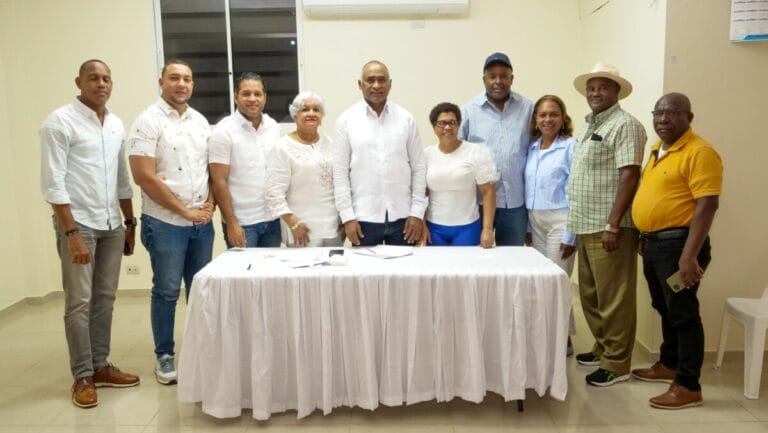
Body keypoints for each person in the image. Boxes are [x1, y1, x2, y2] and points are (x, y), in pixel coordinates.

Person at [40, 59, 140, 408]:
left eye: (107, 78)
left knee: (105, 298)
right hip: (78, 223)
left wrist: (130, 223)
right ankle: (82, 375)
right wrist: (71, 232)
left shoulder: (114, 123)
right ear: (78, 82)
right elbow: (53, 183)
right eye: (94, 78)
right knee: (79, 302)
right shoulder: (59, 122)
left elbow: (122, 179)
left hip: (112, 223)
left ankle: (100, 366)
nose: (101, 84)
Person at [630, 93, 722, 409]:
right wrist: (644, 233)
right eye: (658, 113)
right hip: (655, 245)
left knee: (683, 313)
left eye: (672, 113)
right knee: (664, 306)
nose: (663, 119)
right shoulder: (658, 149)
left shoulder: (700, 151)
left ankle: (688, 384)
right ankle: (669, 363)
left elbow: (707, 204)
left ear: (689, 117)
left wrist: (688, 256)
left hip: (680, 247)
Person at [127, 59, 214, 385]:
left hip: (200, 224)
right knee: (166, 291)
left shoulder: (200, 121)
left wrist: (210, 203)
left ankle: (201, 350)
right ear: (161, 81)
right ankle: (164, 355)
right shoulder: (147, 122)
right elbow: (144, 177)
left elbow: (210, 170)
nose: (181, 84)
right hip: (165, 223)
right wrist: (185, 212)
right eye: (174, 78)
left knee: (200, 289)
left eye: (187, 79)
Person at [567, 62, 646, 386]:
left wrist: (614, 224)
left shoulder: (625, 125)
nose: (595, 92)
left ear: (616, 91)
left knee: (614, 298)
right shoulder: (592, 124)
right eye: (591, 88)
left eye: (602, 87)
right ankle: (602, 348)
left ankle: (617, 362)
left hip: (609, 226)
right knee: (591, 295)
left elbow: (630, 175)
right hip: (586, 224)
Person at [333, 60, 427, 246]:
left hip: (403, 218)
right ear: (360, 84)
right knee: (365, 266)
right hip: (363, 218)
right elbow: (340, 173)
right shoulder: (346, 121)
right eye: (370, 80)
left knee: (405, 265)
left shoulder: (406, 119)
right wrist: (347, 217)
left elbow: (419, 168)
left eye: (381, 80)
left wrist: (417, 213)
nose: (376, 85)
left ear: (390, 84)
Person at [459, 52, 533, 246]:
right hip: (479, 202)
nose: (498, 81)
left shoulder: (528, 108)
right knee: (477, 257)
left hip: (515, 203)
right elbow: (457, 152)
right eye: (492, 76)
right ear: (484, 79)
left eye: (503, 76)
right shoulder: (468, 111)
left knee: (512, 257)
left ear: (512, 79)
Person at [523, 95, 577, 355]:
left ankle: (564, 339)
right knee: (541, 282)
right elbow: (530, 189)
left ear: (563, 118)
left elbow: (575, 191)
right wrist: (528, 228)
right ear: (535, 119)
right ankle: (547, 335)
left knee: (557, 282)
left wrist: (570, 235)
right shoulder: (532, 148)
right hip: (536, 221)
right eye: (542, 114)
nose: (547, 119)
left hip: (560, 221)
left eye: (553, 114)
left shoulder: (570, 146)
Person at [209, 72, 282, 248]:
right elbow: (218, 181)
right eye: (246, 94)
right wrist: (231, 223)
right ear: (236, 97)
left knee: (272, 267)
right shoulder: (223, 131)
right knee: (243, 267)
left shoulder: (273, 127)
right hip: (242, 223)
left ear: (265, 97)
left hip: (272, 219)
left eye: (257, 94)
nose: (252, 99)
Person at [266, 91, 343, 246]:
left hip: (332, 228)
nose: (311, 113)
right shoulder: (282, 147)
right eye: (305, 109)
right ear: (295, 114)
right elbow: (274, 192)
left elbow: (340, 184)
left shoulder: (331, 144)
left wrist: (344, 220)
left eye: (316, 109)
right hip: (300, 229)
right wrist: (293, 223)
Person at [421, 102, 497, 248]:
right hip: (434, 228)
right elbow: (422, 193)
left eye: (452, 122)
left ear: (458, 125)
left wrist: (487, 229)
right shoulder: (426, 155)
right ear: (434, 127)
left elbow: (488, 191)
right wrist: (422, 223)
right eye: (442, 123)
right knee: (436, 263)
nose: (447, 127)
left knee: (465, 263)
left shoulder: (476, 152)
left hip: (467, 227)